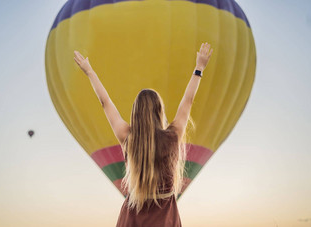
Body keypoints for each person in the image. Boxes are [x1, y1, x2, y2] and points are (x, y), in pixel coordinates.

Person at [73, 42, 213, 227]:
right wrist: (199, 68)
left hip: (132, 218)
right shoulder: (172, 137)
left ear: (135, 112)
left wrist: (90, 72)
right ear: (159, 111)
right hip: (165, 218)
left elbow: (105, 102)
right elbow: (188, 101)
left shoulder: (128, 137)